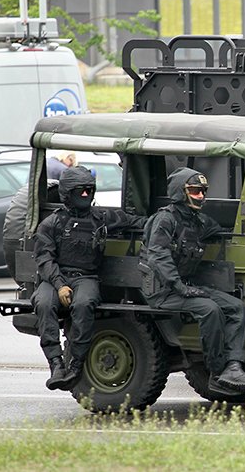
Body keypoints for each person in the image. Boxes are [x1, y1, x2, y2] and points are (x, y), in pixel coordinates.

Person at [139, 167, 245, 396]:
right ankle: (215, 374)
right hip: (163, 290)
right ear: (180, 192)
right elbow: (158, 255)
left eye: (203, 191)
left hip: (185, 286)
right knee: (210, 309)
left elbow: (222, 228)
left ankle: (233, 367)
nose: (201, 196)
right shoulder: (165, 219)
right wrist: (179, 286)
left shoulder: (196, 221)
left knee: (235, 307)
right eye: (194, 191)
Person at [31, 167, 147, 391]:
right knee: (44, 303)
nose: (86, 195)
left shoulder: (100, 218)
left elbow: (134, 222)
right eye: (80, 191)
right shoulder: (52, 224)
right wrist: (60, 285)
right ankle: (56, 363)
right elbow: (45, 259)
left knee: (84, 305)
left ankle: (75, 364)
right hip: (55, 278)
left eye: (89, 190)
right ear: (67, 193)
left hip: (86, 277)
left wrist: (162, 222)